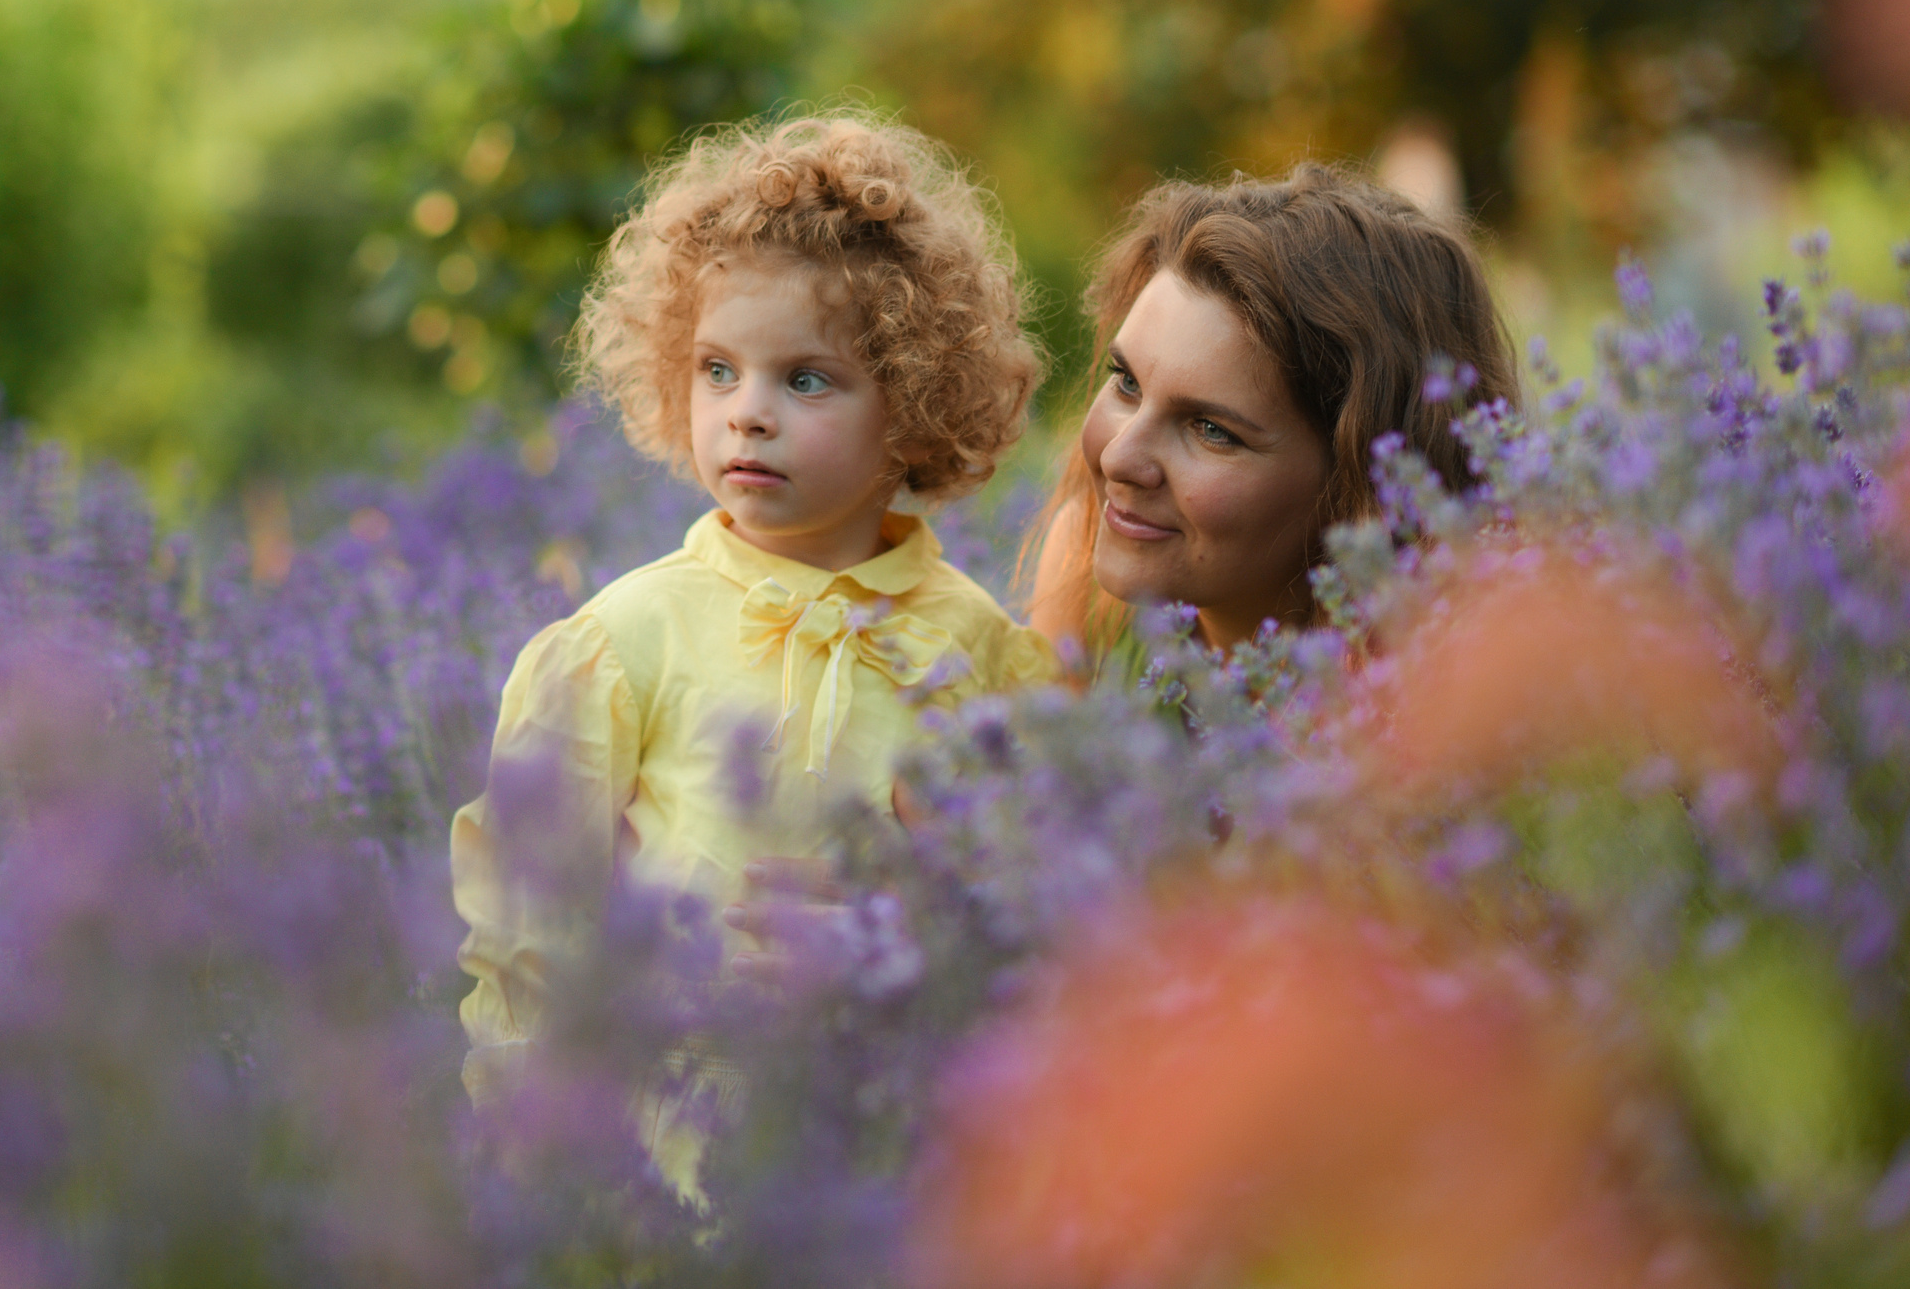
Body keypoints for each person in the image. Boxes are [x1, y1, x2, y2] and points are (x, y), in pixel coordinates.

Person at [447, 114, 1051, 1186]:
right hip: (670, 1156)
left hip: (895, 1162)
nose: (748, 415)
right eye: (717, 369)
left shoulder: (980, 656)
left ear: (911, 410)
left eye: (805, 380)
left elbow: (1025, 921)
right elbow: (530, 929)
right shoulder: (623, 641)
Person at [1028, 162, 1520, 660]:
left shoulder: (1436, 681)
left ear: (1357, 486)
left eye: (1211, 430)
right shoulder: (1085, 563)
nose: (1117, 459)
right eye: (1127, 382)